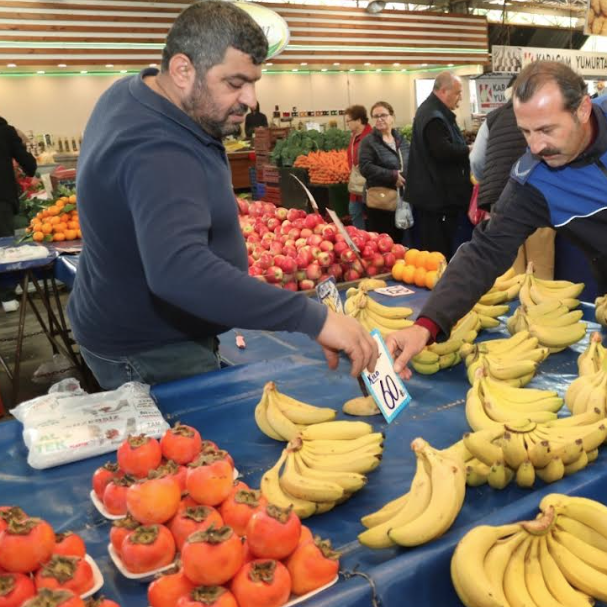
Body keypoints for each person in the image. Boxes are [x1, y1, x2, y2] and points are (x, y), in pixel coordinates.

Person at [68, 1, 377, 389]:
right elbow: (178, 271)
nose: (251, 100)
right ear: (183, 71)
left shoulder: (142, 94)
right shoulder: (158, 149)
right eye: (235, 84)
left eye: (253, 82)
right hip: (152, 349)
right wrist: (314, 318)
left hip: (134, 321)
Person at [384, 61, 607, 377]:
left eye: (546, 130)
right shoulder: (533, 182)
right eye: (526, 132)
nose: (535, 146)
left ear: (583, 110)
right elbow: (485, 251)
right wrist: (427, 325)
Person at [472, 77, 555, 279]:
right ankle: (541, 309)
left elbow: (476, 161)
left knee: (508, 272)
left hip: (501, 201)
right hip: (540, 200)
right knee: (540, 270)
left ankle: (512, 310)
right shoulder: (548, 118)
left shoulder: (492, 118)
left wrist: (488, 180)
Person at [405, 71, 472, 259]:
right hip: (435, 198)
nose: (460, 98)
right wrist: (468, 150)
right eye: (458, 93)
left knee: (436, 249)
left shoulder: (430, 111)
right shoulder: (434, 116)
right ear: (444, 91)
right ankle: (441, 285)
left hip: (432, 197)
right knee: (438, 252)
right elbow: (442, 151)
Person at [358, 101, 408, 244]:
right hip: (380, 201)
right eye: (376, 116)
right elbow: (365, 167)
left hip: (400, 198)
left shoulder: (400, 139)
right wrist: (392, 176)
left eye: (383, 115)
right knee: (382, 242)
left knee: (400, 240)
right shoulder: (368, 141)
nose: (379, 119)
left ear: (392, 117)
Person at [0, 117, 37, 313]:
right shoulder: (6, 131)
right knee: (3, 246)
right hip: (1, 198)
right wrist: (31, 169)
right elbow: (27, 162)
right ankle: (6, 297)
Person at [345, 104, 372, 230]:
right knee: (355, 212)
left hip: (369, 185)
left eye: (349, 121)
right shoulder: (354, 136)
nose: (347, 124)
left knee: (371, 216)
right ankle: (360, 239)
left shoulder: (371, 136)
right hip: (355, 184)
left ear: (359, 120)